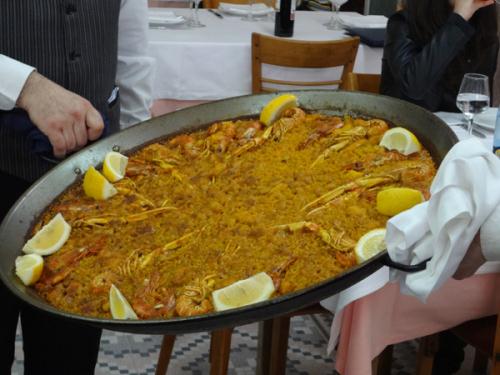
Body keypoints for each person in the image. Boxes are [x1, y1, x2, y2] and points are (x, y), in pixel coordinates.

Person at [0, 1, 154, 374]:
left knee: (69, 356)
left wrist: (138, 150)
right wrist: (25, 86)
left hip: (88, 188)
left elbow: (131, 48)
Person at [380, 0, 498, 112]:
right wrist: (459, 19)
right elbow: (412, 86)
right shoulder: (403, 22)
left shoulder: (483, 26)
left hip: (458, 130)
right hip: (405, 125)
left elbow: (478, 97)